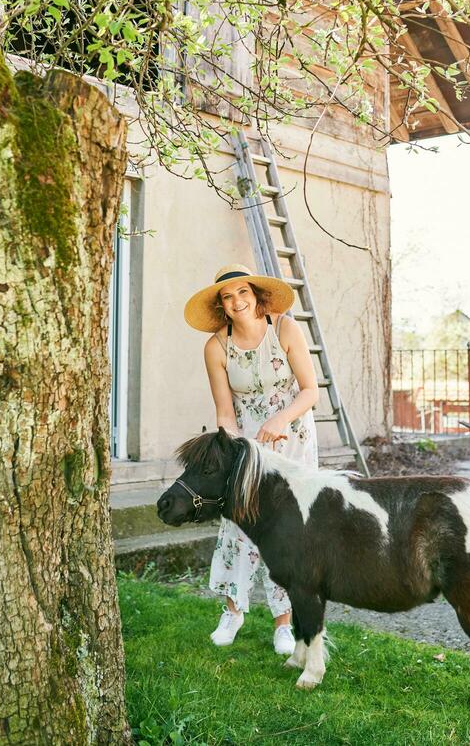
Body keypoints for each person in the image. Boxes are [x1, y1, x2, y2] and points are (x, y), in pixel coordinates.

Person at [184, 264, 318, 656]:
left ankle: (284, 623)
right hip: (246, 441)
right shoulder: (216, 347)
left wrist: (280, 419)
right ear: (221, 306)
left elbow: (310, 391)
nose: (236, 301)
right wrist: (236, 448)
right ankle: (233, 610)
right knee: (238, 521)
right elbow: (224, 411)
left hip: (292, 436)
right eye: (227, 297)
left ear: (256, 295)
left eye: (242, 292)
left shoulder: (286, 330)